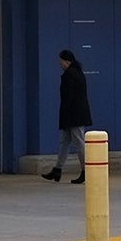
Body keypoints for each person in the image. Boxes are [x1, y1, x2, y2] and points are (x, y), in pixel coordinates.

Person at [43, 49, 93, 184]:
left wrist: (65, 115)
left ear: (67, 62)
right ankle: (57, 169)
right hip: (76, 113)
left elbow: (67, 97)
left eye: (61, 62)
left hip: (73, 115)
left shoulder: (69, 75)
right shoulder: (78, 73)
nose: (60, 64)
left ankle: (86, 170)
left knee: (78, 142)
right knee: (65, 141)